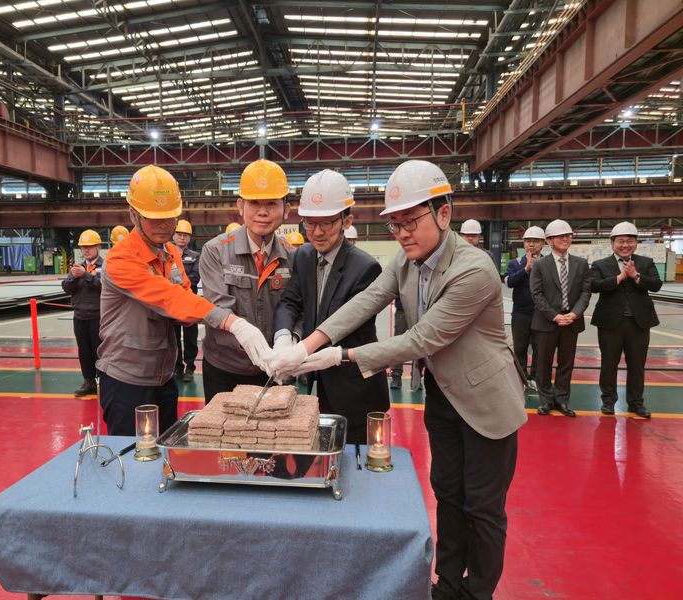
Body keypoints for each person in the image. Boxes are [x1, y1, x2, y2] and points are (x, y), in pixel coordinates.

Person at [268, 160, 526, 600]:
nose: (403, 233)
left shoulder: (474, 268)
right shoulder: (407, 263)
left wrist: (338, 355)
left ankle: (477, 591)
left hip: (487, 403)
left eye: (412, 221)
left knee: (482, 506)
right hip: (443, 395)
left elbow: (423, 338)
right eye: (396, 225)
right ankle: (447, 582)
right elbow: (367, 301)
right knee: (446, 490)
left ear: (444, 213)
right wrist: (305, 345)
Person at [96, 165, 271, 435]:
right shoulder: (120, 260)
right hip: (127, 380)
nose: (165, 226)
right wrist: (229, 320)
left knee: (164, 451)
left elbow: (185, 299)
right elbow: (169, 297)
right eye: (155, 219)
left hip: (164, 376)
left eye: (170, 218)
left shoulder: (169, 252)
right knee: (131, 458)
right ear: (133, 214)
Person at [273, 169, 388, 444]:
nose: (318, 232)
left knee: (356, 459)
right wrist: (284, 338)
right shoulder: (303, 255)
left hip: (355, 386)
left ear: (346, 221)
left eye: (327, 223)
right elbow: (291, 301)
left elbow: (344, 325)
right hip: (319, 383)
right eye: (310, 223)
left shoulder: (365, 268)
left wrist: (304, 351)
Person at [199, 159, 295, 403]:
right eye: (254, 203)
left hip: (274, 371)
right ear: (240, 206)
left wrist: (290, 339)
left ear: (286, 209)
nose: (262, 212)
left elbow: (297, 307)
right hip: (224, 370)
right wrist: (244, 334)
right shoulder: (215, 251)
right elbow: (216, 309)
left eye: (272, 204)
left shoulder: (293, 256)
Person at [591, 222, 662, 418]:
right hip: (610, 323)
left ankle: (636, 403)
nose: (625, 245)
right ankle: (607, 401)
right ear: (612, 242)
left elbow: (656, 284)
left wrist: (636, 275)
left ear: (636, 243)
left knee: (637, 365)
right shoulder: (600, 264)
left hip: (639, 323)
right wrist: (620, 277)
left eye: (630, 241)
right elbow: (595, 285)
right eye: (621, 241)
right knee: (608, 364)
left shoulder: (645, 263)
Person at [530, 219, 591, 417]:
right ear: (549, 240)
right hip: (547, 323)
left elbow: (586, 292)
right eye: (560, 236)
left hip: (571, 323)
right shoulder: (540, 265)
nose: (565, 238)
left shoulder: (581, 264)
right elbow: (536, 294)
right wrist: (555, 316)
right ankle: (546, 401)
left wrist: (575, 313)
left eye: (568, 235)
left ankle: (562, 400)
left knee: (567, 363)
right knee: (543, 364)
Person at [62, 229, 103, 397]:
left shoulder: (104, 266)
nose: (86, 250)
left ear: (98, 247)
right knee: (84, 350)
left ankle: (103, 381)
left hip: (98, 316)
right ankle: (89, 381)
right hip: (79, 316)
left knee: (99, 350)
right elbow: (66, 288)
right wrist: (74, 277)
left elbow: (104, 287)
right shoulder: (76, 268)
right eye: (83, 247)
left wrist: (86, 275)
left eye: (90, 246)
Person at [505, 226, 545, 391]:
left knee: (539, 347)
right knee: (520, 347)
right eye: (528, 241)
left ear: (543, 243)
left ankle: (535, 378)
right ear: (523, 244)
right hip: (521, 312)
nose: (531, 244)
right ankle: (521, 379)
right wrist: (526, 269)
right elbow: (508, 282)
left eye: (535, 241)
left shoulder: (547, 263)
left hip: (541, 313)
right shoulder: (515, 263)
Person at [172, 219, 200, 382]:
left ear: (189, 238)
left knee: (190, 336)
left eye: (185, 235)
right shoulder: (166, 256)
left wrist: (176, 284)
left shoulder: (196, 257)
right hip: (172, 303)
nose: (182, 238)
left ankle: (190, 367)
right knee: (173, 337)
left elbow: (195, 278)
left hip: (190, 302)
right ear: (174, 236)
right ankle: (177, 368)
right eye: (179, 234)